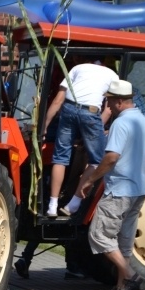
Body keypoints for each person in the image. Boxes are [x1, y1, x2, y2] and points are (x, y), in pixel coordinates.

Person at [77, 79, 145, 290]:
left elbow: (111, 157)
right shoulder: (144, 121)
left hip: (119, 190)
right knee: (124, 242)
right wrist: (134, 166)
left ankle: (130, 275)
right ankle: (121, 288)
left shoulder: (120, 123)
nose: (108, 106)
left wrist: (90, 180)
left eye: (110, 102)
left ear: (120, 101)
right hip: (139, 189)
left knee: (99, 235)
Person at [42, 56, 118, 216]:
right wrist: (95, 131)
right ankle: (74, 203)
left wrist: (44, 127)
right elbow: (109, 109)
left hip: (68, 108)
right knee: (97, 161)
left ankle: (52, 205)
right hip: (90, 113)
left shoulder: (77, 69)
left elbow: (58, 100)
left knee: (60, 158)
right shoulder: (112, 75)